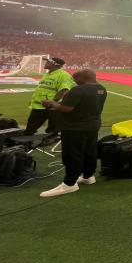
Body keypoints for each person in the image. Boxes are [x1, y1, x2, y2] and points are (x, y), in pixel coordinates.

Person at [39, 69, 107, 197]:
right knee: (89, 152)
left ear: (83, 77)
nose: (74, 81)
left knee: (72, 155)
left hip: (74, 127)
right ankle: (88, 176)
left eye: (75, 78)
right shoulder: (102, 88)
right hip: (92, 125)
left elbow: (66, 108)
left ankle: (69, 183)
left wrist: (52, 103)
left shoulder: (78, 90)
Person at [25, 57, 75, 136]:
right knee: (29, 129)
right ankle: (28, 141)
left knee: (52, 132)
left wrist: (52, 102)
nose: (45, 63)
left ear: (55, 64)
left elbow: (64, 90)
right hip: (39, 106)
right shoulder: (47, 74)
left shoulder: (64, 75)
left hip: (52, 108)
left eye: (48, 62)